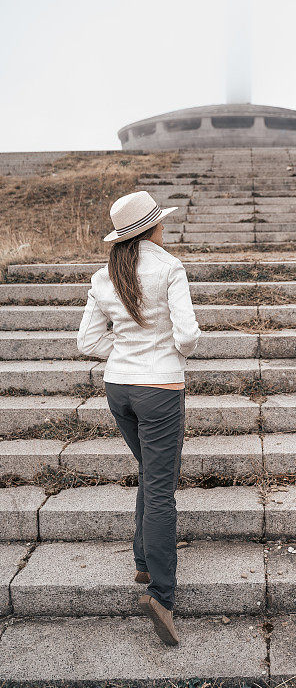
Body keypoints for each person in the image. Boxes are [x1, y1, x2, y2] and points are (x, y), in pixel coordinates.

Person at [77, 190, 200, 645]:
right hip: (160, 390)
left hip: (118, 389)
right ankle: (162, 596)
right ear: (154, 227)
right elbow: (187, 336)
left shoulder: (102, 276)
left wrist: (125, 355)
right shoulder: (169, 268)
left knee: (150, 473)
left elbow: (88, 342)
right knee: (161, 488)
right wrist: (167, 355)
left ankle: (143, 561)